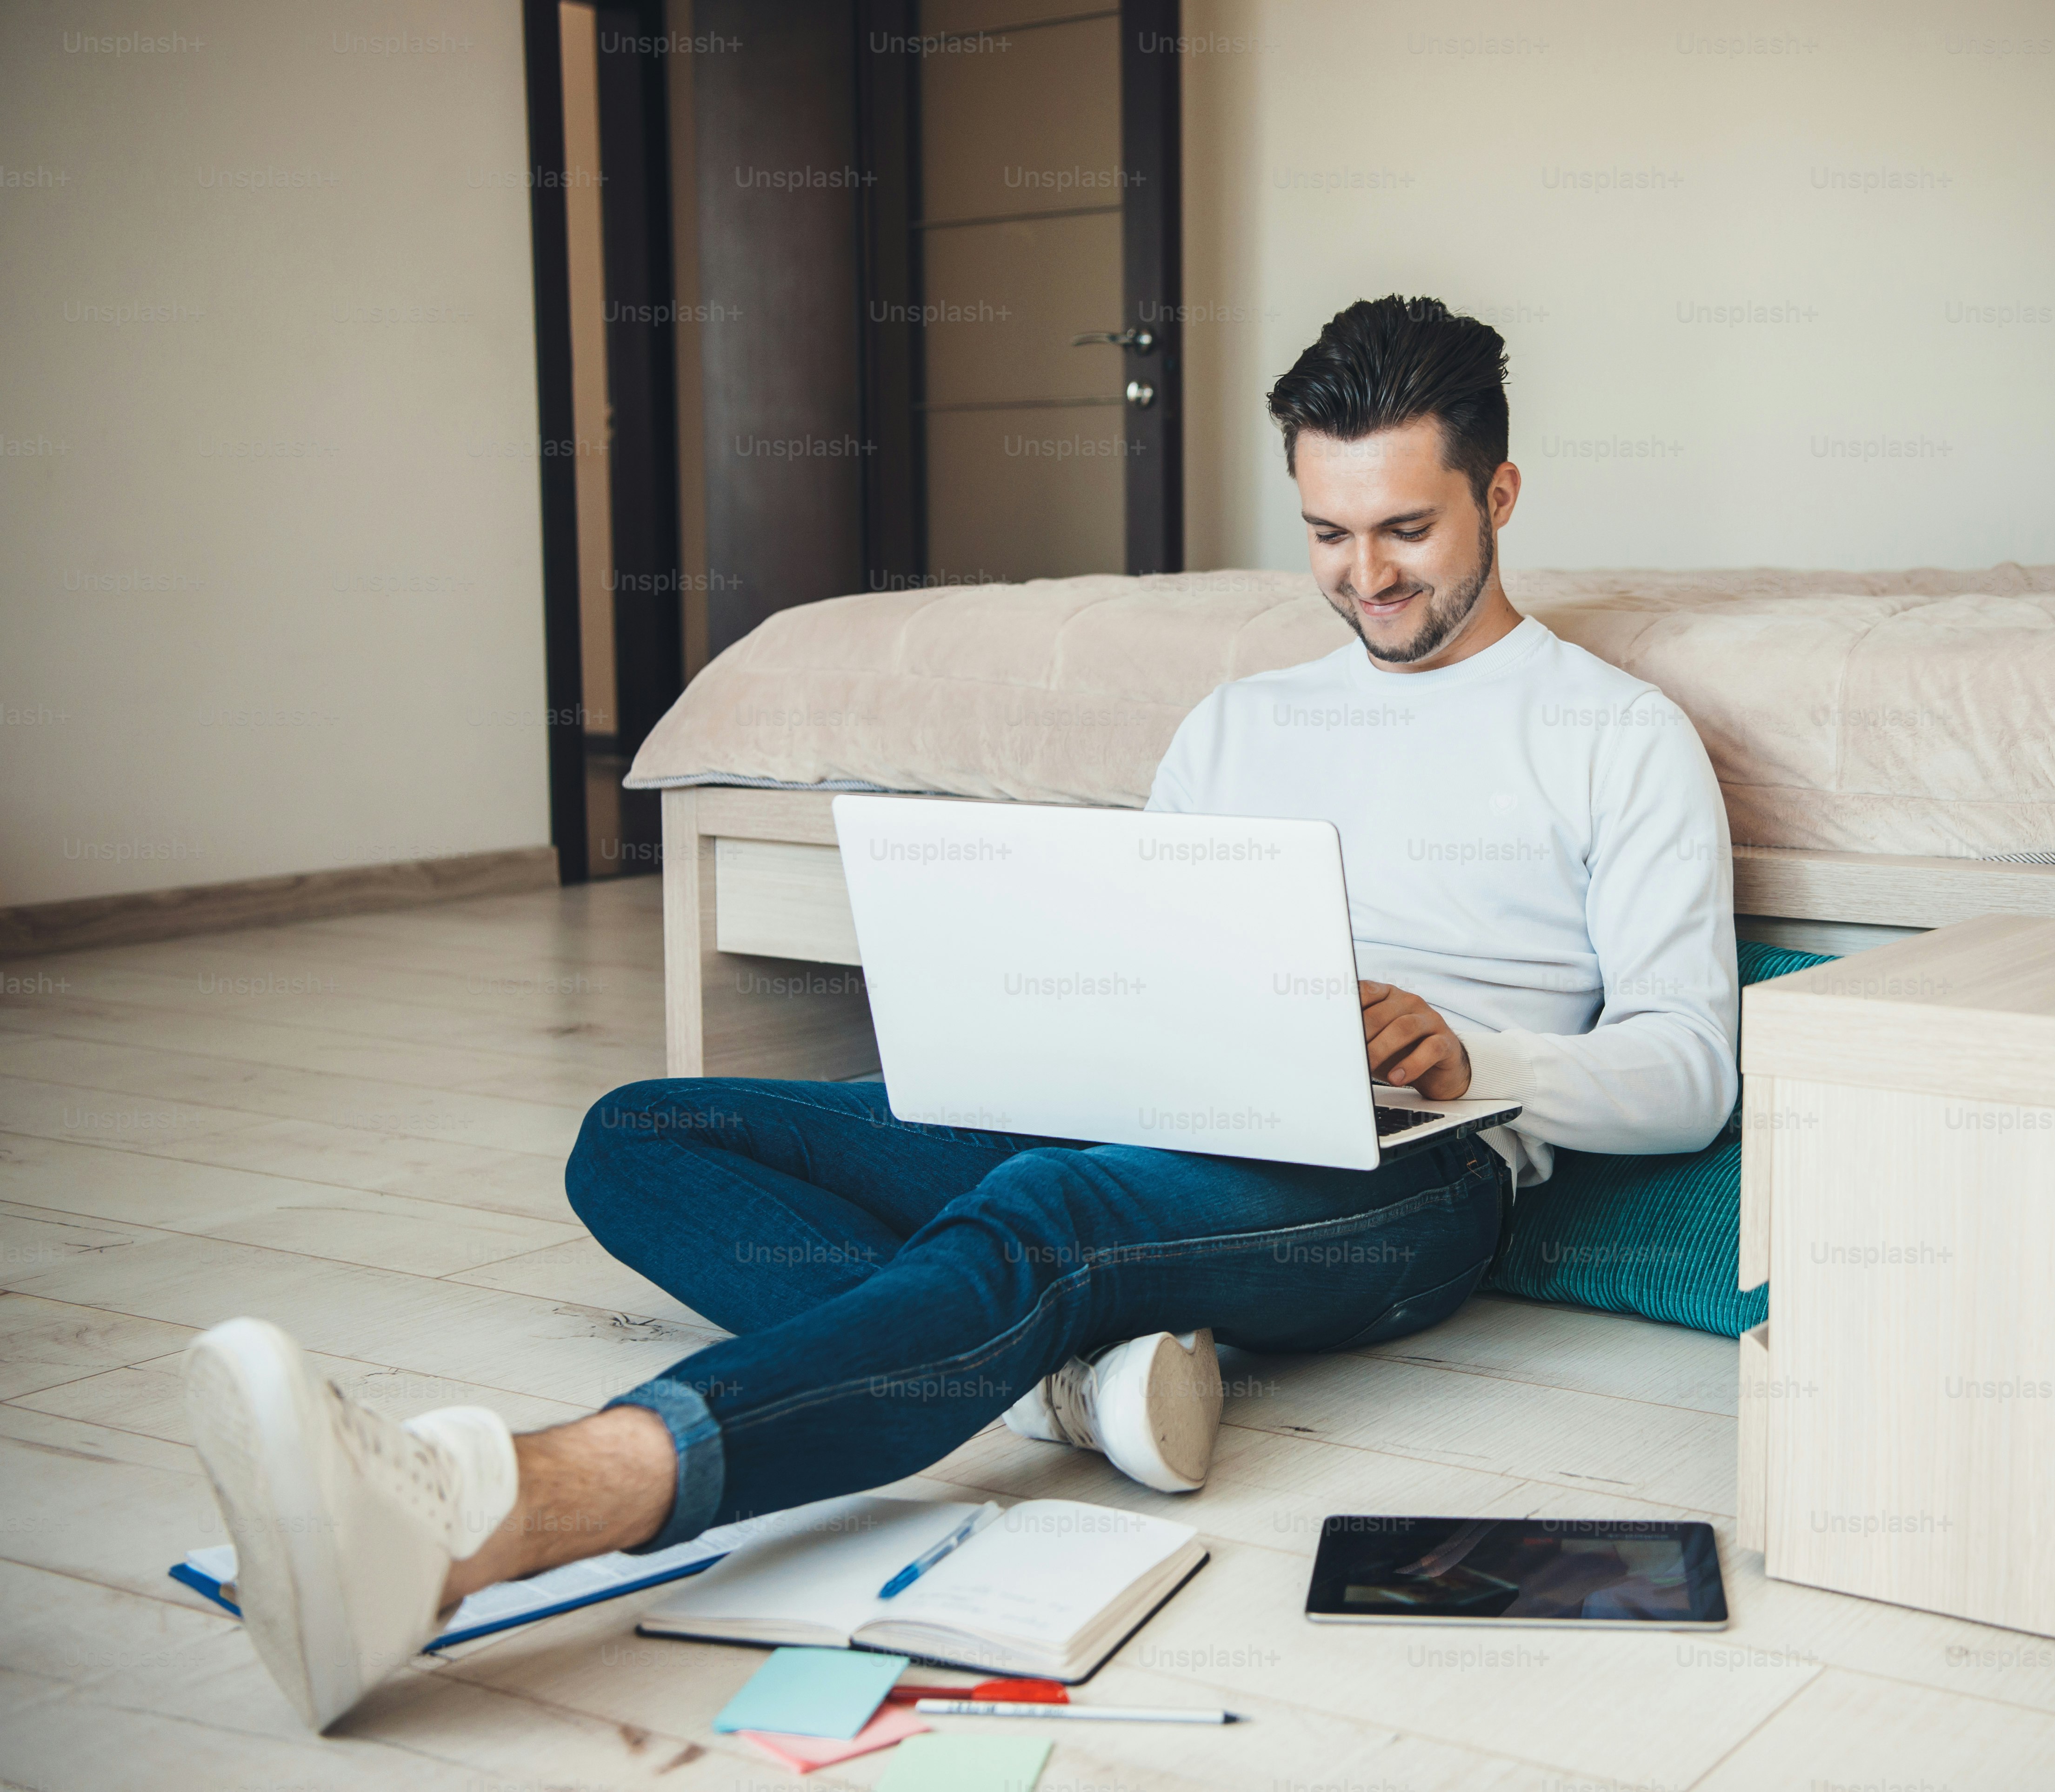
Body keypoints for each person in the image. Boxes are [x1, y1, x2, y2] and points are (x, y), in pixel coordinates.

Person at [181, 294, 1740, 1730]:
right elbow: (1148, 944)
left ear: (1501, 494)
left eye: (1407, 528)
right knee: (642, 1132)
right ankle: (1073, 1380)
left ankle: (490, 1509)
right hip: (1155, 1094)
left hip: (1417, 1176)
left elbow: (1691, 1074)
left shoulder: (1613, 734)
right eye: (1328, 533)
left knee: (1043, 1212)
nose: (1365, 577)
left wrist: (1482, 1055)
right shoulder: (1241, 720)